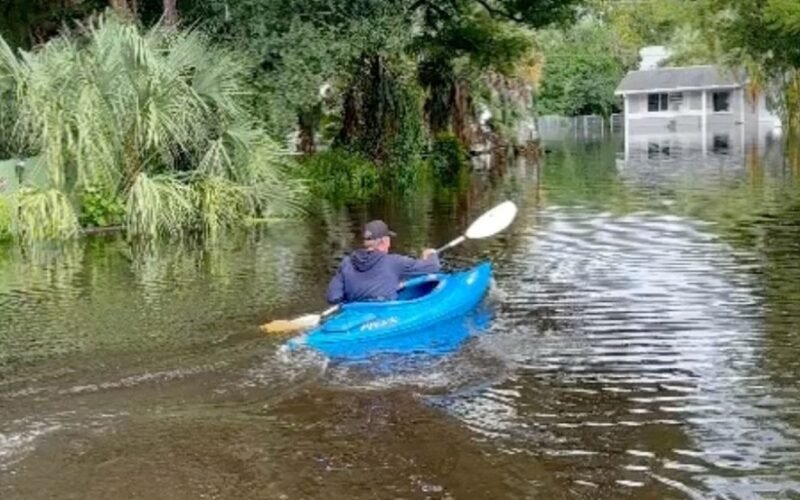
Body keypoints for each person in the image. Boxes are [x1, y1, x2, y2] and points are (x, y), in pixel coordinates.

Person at [326, 220, 440, 304]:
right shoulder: (394, 262)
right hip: (384, 314)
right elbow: (433, 267)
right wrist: (430, 254)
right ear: (385, 241)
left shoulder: (346, 263)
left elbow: (333, 297)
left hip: (355, 312)